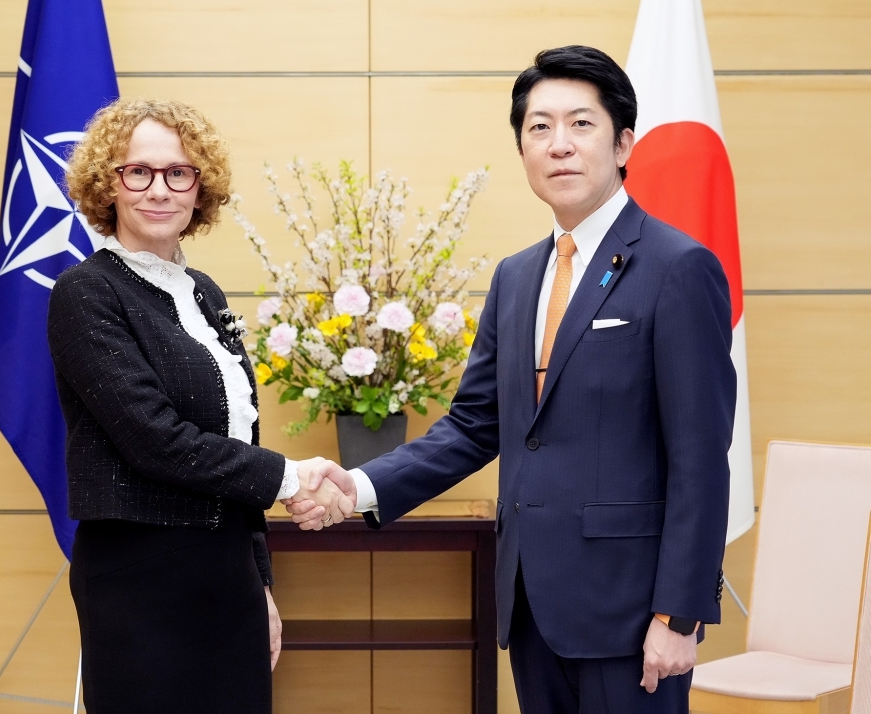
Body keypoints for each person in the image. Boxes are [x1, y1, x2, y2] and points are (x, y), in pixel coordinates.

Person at [286, 46, 735, 714]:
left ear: (623, 145)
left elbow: (700, 457)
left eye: (581, 124)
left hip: (632, 612)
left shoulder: (678, 267)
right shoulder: (517, 276)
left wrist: (679, 614)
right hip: (531, 604)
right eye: (539, 127)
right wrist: (360, 487)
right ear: (522, 149)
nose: (559, 144)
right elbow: (474, 426)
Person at [48, 97, 351, 714]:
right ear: (108, 184)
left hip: (227, 574)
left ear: (199, 187)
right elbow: (156, 440)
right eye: (138, 171)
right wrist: (292, 477)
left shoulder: (203, 293)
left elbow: (236, 445)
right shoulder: (86, 293)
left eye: (178, 172)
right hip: (139, 578)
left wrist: (260, 581)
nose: (159, 189)